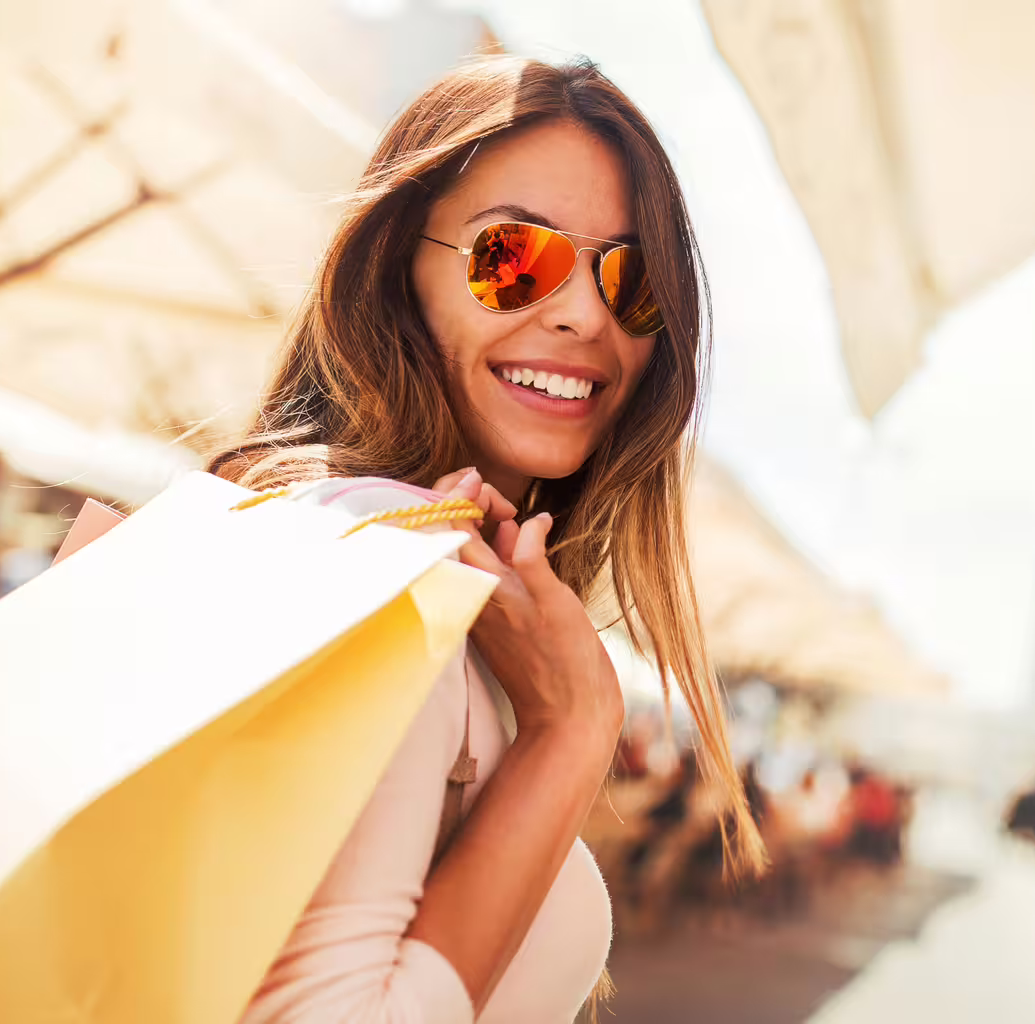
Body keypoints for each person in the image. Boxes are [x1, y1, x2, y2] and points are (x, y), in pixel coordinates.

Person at [206, 56, 763, 1024]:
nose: (586, 313)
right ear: (394, 272)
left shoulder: (439, 595)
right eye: (511, 257)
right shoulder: (377, 570)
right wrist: (569, 737)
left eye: (632, 282)